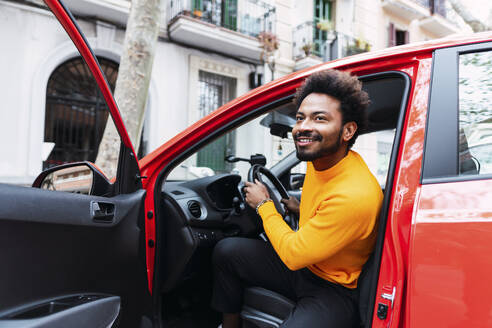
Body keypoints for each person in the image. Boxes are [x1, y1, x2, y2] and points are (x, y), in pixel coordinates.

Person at [211, 69, 384, 328]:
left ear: (347, 131)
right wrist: (300, 208)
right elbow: (325, 206)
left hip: (335, 287)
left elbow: (293, 254)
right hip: (307, 265)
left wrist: (264, 205)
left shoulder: (355, 194)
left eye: (320, 118)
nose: (303, 127)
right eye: (301, 118)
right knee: (227, 251)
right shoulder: (322, 159)